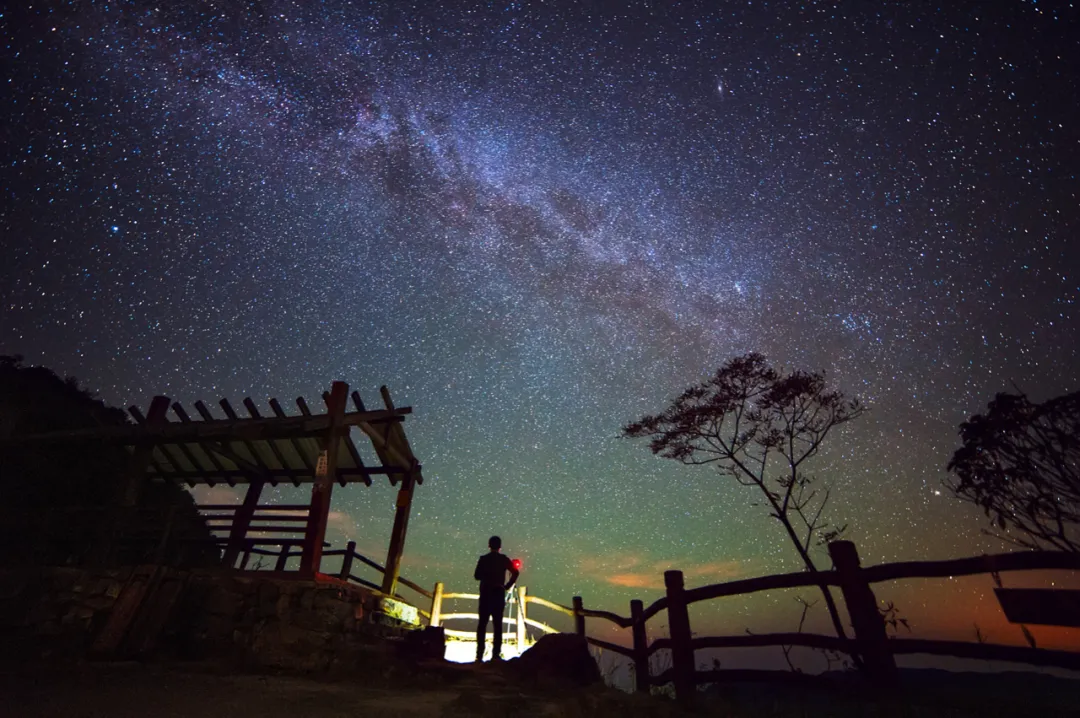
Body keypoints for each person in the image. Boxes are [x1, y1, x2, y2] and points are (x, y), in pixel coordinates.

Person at [473, 535, 519, 662]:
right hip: (498, 593)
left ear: (489, 545)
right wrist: (507, 586)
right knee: (497, 625)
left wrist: (486, 576)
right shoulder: (504, 559)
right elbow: (515, 572)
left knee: (482, 624)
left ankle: (479, 654)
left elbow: (477, 576)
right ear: (500, 547)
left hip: (486, 593)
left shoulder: (483, 559)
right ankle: (496, 655)